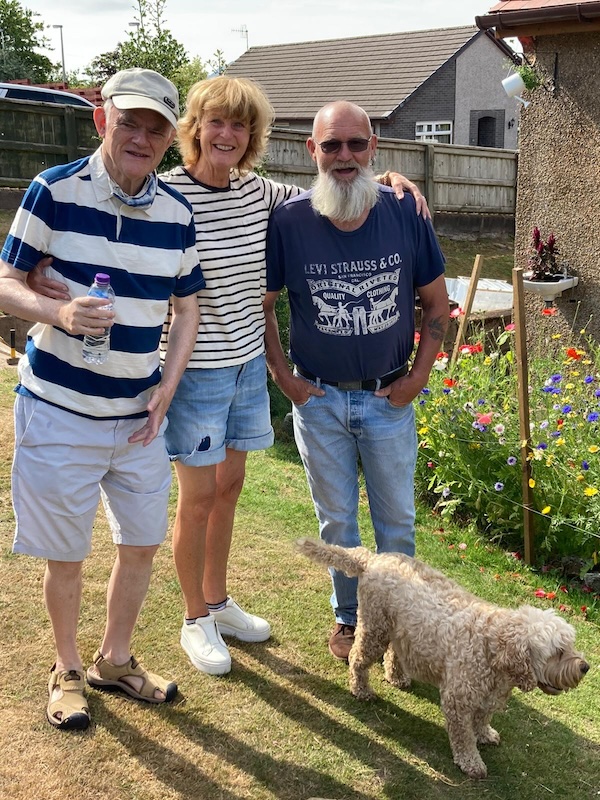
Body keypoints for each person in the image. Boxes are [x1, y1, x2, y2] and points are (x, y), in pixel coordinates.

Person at [31, 75, 430, 677]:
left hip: (245, 368)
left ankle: (218, 601)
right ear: (193, 128)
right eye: (215, 121)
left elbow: (338, 181)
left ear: (254, 136)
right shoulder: (164, 193)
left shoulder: (261, 194)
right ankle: (195, 620)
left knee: (229, 490)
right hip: (193, 370)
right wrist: (48, 285)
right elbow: (115, 250)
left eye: (240, 125)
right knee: (195, 500)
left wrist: (397, 181)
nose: (227, 134)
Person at [0, 68, 203, 730]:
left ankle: (114, 660)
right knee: (68, 553)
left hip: (138, 420)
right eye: (130, 123)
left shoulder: (178, 213)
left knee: (142, 544)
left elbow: (188, 304)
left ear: (171, 138)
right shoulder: (52, 190)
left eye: (157, 128)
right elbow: (5, 281)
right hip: (59, 408)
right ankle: (66, 669)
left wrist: (168, 386)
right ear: (101, 120)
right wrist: (54, 315)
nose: (142, 138)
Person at [263, 100, 449, 662]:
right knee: (336, 521)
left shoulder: (404, 211)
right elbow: (264, 305)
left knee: (397, 522)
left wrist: (418, 377)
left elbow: (436, 305)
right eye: (331, 146)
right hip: (318, 401)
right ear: (311, 152)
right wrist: (284, 378)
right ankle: (348, 620)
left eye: (356, 144)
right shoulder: (289, 220)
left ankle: (405, 627)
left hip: (388, 398)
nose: (344, 156)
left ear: (374, 148)